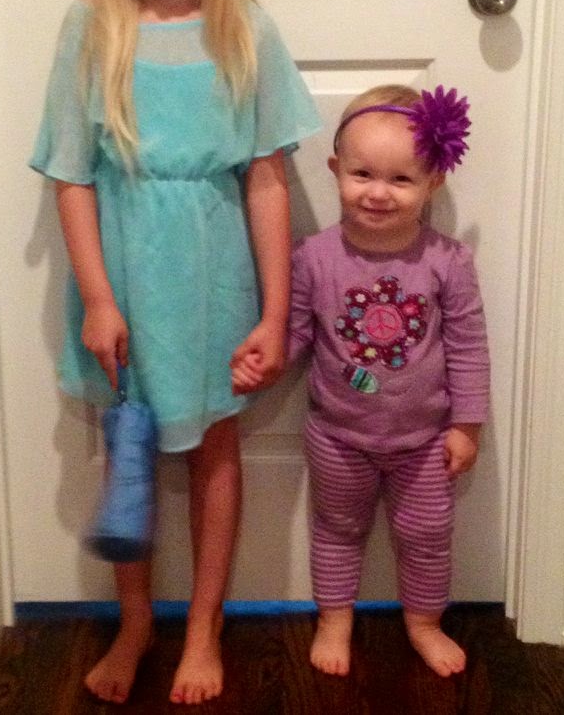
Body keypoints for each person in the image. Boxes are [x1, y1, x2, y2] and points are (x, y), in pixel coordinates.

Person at [30, 0, 320, 706]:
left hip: (211, 284)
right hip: (122, 281)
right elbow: (72, 175)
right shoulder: (92, 29)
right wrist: (98, 298)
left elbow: (266, 180)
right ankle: (135, 621)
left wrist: (273, 313)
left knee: (213, 451)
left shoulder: (247, 29)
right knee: (128, 451)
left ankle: (202, 625)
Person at [233, 84, 490, 679]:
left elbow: (469, 347)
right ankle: (334, 618)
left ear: (434, 182)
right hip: (337, 435)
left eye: (401, 179)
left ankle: (424, 623)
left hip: (425, 441)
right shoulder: (313, 257)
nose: (378, 192)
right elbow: (296, 335)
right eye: (362, 174)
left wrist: (467, 426)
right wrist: (264, 364)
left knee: (428, 535)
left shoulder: (447, 262)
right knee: (337, 529)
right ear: (335, 171)